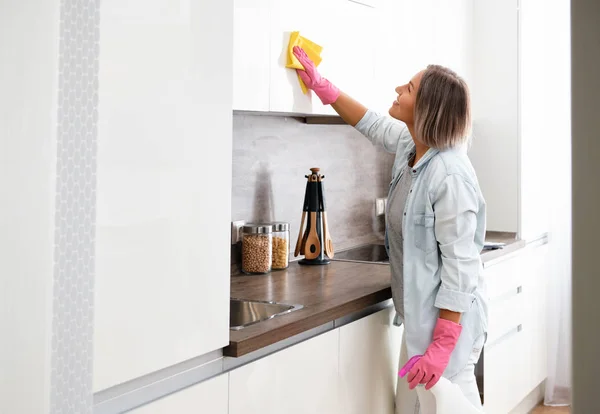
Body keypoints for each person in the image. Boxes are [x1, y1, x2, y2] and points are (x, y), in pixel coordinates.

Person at [292, 46, 489, 413]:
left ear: (428, 109)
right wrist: (322, 87)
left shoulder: (450, 174)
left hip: (449, 331)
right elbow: (367, 121)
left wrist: (442, 346)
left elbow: (461, 270)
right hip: (419, 322)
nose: (399, 88)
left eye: (410, 89)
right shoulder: (410, 144)